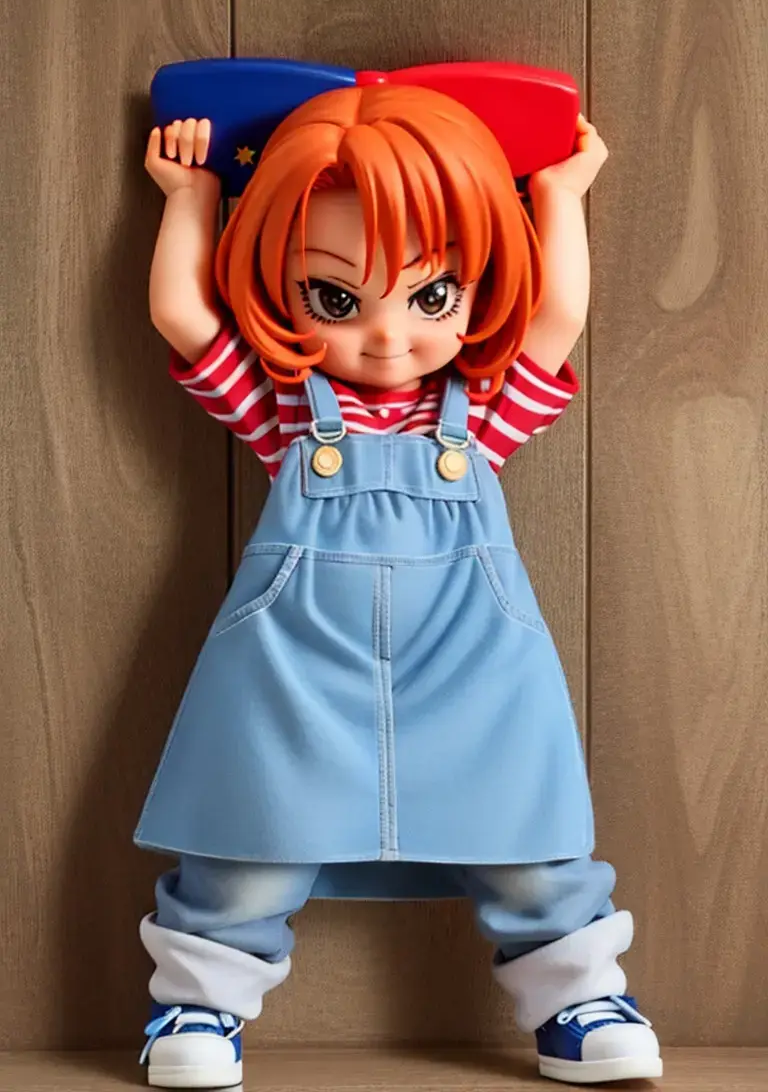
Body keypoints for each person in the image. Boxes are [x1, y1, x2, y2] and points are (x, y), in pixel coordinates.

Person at [135, 79, 662, 1088]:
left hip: (471, 667)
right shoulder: (287, 410)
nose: (386, 335)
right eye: (335, 298)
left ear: (478, 286)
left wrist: (560, 195)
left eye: (432, 296)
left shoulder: (483, 413)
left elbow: (558, 315)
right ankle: (199, 1004)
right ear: (279, 289)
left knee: (528, 839)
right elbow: (182, 314)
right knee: (248, 836)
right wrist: (191, 199)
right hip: (297, 667)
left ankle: (581, 997)